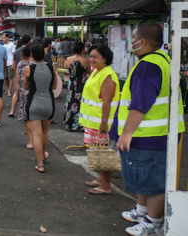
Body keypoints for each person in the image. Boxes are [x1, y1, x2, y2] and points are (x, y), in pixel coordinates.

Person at [113, 23, 185, 236]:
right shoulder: (162, 60)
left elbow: (140, 103)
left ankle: (153, 221)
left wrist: (126, 133)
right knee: (142, 175)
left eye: (133, 39)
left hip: (149, 136)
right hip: (156, 134)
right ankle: (143, 211)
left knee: (151, 179)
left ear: (142, 42)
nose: (131, 44)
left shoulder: (148, 65)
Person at [79, 44, 119, 195]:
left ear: (105, 58)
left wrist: (104, 123)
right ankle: (102, 179)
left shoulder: (107, 75)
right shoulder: (97, 71)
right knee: (98, 151)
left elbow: (106, 101)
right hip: (93, 121)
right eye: (90, 56)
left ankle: (106, 184)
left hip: (102, 122)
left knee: (105, 153)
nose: (91, 59)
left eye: (95, 57)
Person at [23, 43, 56, 173]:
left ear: (32, 55)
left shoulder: (28, 69)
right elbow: (54, 86)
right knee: (45, 131)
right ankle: (43, 155)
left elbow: (25, 87)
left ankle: (40, 164)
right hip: (48, 102)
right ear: (44, 54)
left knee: (36, 134)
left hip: (34, 102)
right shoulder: (52, 67)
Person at [64, 40, 90, 132]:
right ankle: (79, 124)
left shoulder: (68, 59)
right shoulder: (86, 61)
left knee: (70, 101)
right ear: (83, 50)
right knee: (80, 102)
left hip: (72, 82)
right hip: (81, 82)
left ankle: (69, 124)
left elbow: (66, 68)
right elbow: (88, 72)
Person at [13, 46, 34, 148]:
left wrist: (16, 94)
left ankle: (30, 141)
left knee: (27, 118)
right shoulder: (34, 64)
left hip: (23, 92)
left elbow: (17, 81)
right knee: (35, 118)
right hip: (34, 93)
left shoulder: (20, 64)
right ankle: (36, 139)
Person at [9, 34, 31, 118]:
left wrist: (16, 74)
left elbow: (14, 65)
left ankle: (12, 110)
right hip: (28, 73)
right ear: (29, 41)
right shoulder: (29, 50)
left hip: (19, 73)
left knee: (16, 92)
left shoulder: (17, 50)